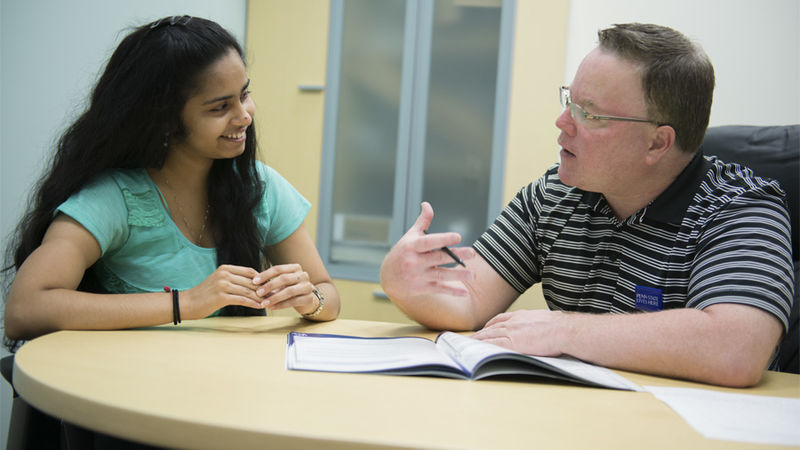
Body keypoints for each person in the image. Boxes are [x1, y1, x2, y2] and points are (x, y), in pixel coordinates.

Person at [380, 23, 794, 388]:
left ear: (657, 142)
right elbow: (468, 296)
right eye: (569, 101)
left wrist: (565, 331)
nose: (563, 122)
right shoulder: (553, 195)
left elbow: (736, 348)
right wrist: (404, 283)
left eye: (590, 114)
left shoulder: (741, 207)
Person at [3, 15, 340, 351]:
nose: (244, 116)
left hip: (227, 391)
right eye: (220, 107)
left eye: (244, 94)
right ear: (164, 119)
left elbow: (328, 293)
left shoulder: (259, 186)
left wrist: (310, 298)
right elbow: (25, 309)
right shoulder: (113, 198)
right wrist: (187, 303)